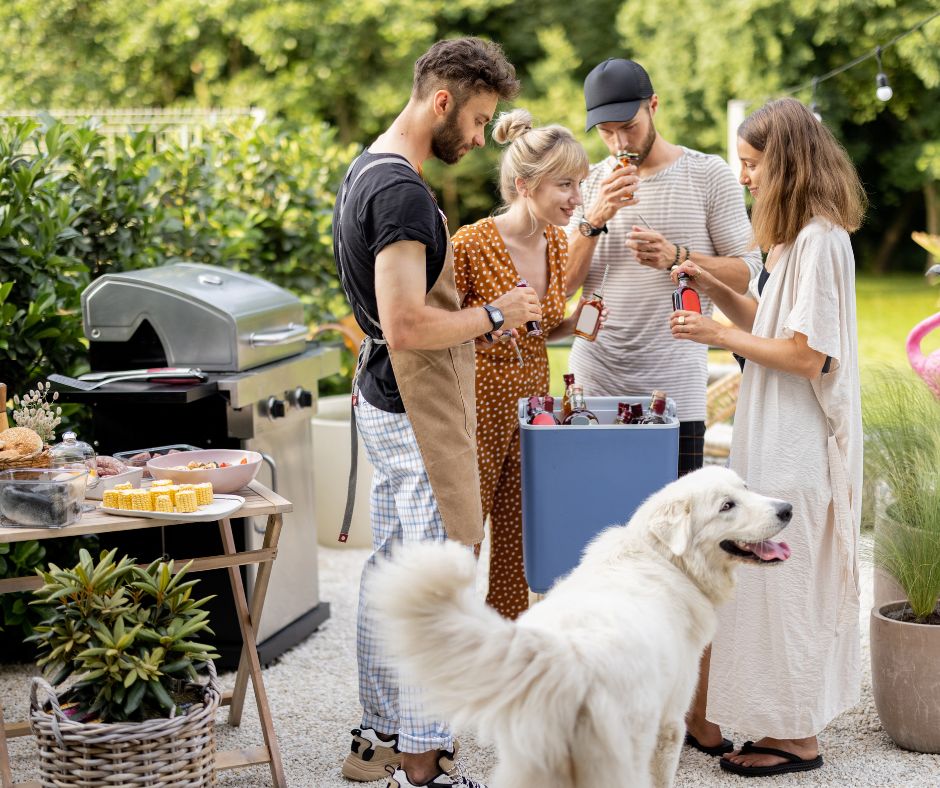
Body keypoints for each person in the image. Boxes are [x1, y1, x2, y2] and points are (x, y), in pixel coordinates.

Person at [332, 37, 539, 788]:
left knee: (392, 570)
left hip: (385, 399)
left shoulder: (367, 167)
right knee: (436, 582)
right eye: (480, 121)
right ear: (442, 100)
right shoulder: (402, 194)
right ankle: (424, 766)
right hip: (415, 407)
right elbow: (407, 323)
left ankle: (379, 740)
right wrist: (498, 313)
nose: (481, 139)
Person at [674, 97, 866, 777]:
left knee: (787, 584)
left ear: (784, 162)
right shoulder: (792, 243)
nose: (745, 177)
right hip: (773, 434)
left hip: (798, 441)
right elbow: (770, 323)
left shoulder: (821, 240)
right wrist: (706, 283)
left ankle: (798, 738)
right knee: (767, 580)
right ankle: (779, 724)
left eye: (752, 165)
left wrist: (717, 335)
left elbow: (808, 355)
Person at [565, 58, 762, 476]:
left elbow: (747, 271)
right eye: (605, 132)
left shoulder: (708, 174)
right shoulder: (585, 185)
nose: (619, 143)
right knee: (596, 520)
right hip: (594, 383)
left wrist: (678, 255)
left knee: (677, 529)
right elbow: (563, 287)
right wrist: (594, 218)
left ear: (653, 105)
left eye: (628, 127)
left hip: (674, 389)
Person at [452, 108, 594, 620]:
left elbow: (539, 330)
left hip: (533, 412)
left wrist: (573, 321)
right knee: (461, 541)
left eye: (579, 184)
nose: (577, 198)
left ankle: (505, 653)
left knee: (518, 541)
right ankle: (449, 655)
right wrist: (490, 321)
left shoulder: (558, 244)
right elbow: (440, 333)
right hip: (475, 414)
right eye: (565, 185)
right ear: (524, 184)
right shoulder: (469, 244)